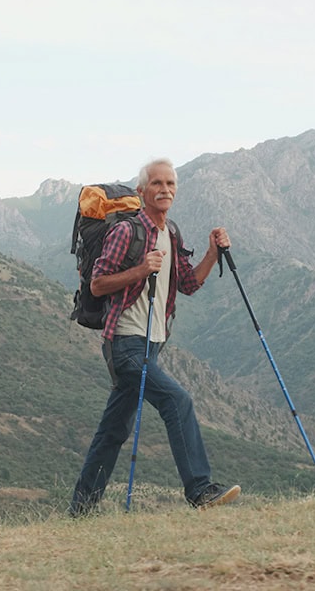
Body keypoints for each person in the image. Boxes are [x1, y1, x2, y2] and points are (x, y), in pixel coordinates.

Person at [70, 158, 240, 514]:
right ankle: (199, 489)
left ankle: (80, 509)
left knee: (113, 430)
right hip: (125, 343)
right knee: (177, 401)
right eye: (157, 184)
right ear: (141, 191)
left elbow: (188, 283)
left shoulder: (171, 233)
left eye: (170, 184)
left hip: (152, 344)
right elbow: (98, 284)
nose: (164, 190)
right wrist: (140, 269)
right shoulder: (126, 232)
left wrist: (212, 253)